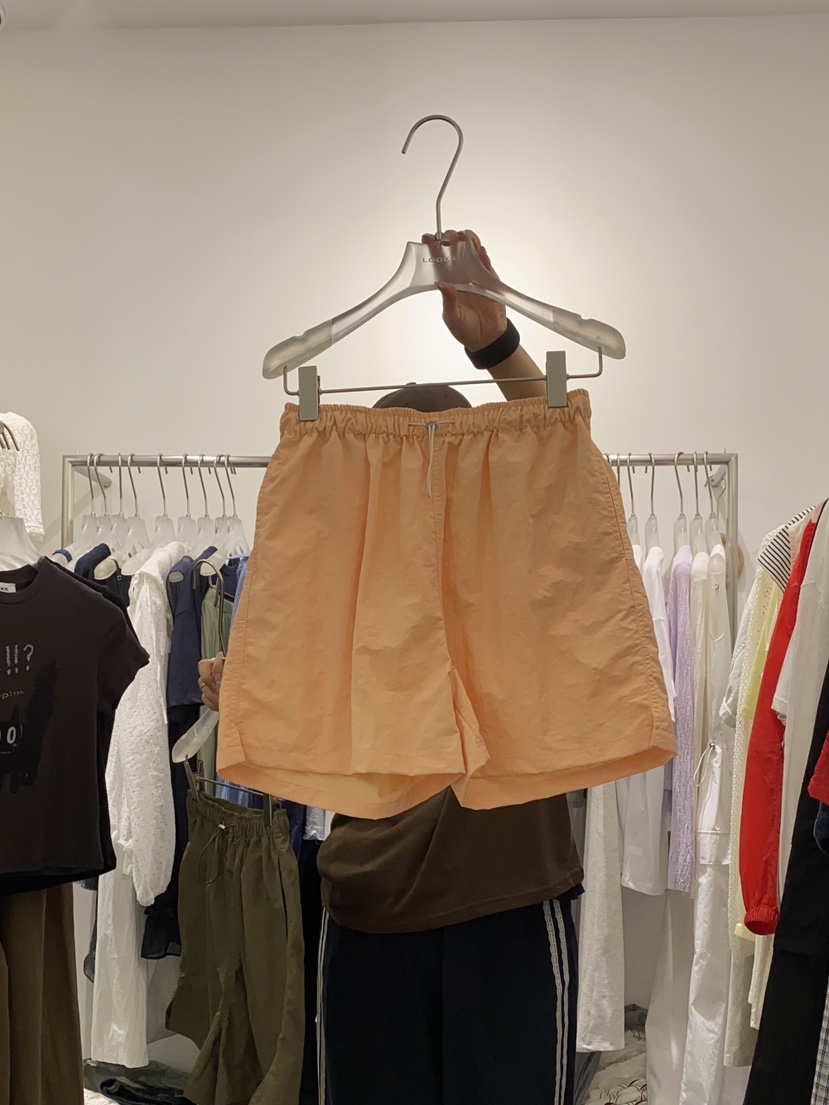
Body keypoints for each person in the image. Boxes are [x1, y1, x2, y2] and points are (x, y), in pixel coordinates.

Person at [199, 230, 584, 1105]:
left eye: (451, 463)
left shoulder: (525, 568)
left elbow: (562, 468)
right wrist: (249, 693)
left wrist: (495, 344)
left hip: (506, 901)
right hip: (372, 907)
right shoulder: (337, 578)